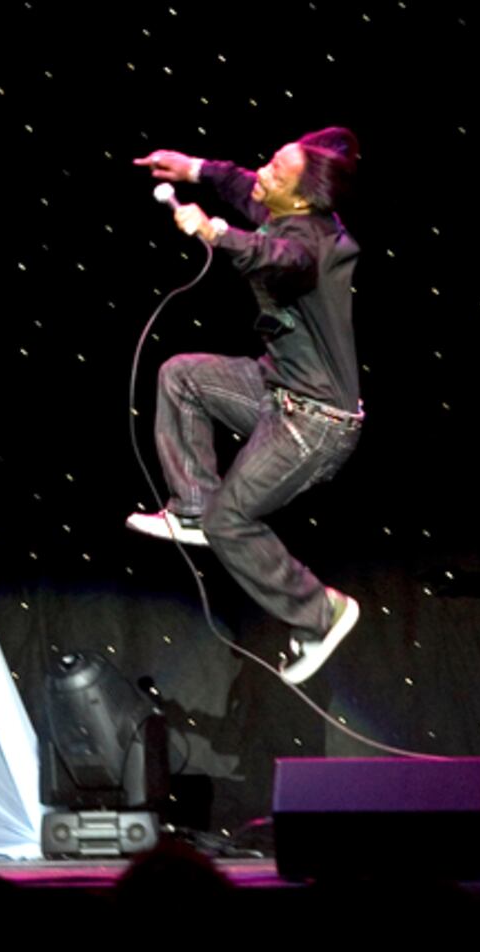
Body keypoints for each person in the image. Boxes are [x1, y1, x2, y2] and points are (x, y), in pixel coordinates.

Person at [127, 128, 363, 685]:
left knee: (229, 521)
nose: (263, 172)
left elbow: (275, 256)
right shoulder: (281, 204)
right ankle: (190, 507)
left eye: (277, 172)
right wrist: (192, 168)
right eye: (271, 159)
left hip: (314, 423)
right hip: (276, 389)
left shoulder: (310, 248)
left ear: (300, 200)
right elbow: (241, 185)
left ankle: (322, 612)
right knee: (182, 375)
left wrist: (215, 232)